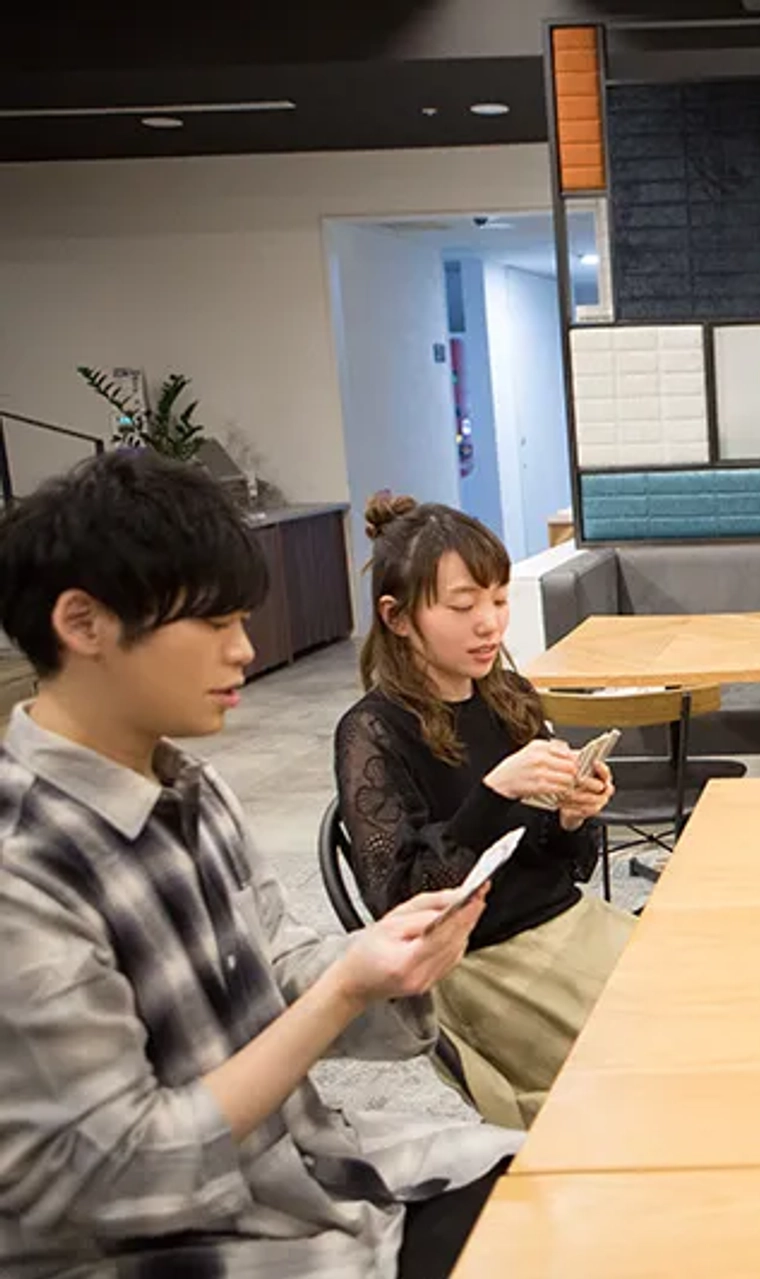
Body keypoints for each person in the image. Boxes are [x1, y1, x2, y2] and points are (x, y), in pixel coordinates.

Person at [0, 452, 518, 1279]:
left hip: (306, 1177)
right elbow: (118, 1176)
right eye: (213, 624)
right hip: (176, 1247)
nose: (243, 650)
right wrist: (347, 987)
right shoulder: (23, 868)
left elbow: (271, 962)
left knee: (565, 1191)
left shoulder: (190, 788)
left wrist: (383, 963)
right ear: (83, 622)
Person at [334, 495, 632, 1130]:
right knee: (640, 1062)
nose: (490, 625)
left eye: (499, 601)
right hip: (483, 963)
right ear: (398, 617)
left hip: (567, 924)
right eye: (464, 606)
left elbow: (565, 869)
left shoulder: (509, 699)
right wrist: (494, 794)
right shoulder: (373, 732)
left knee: (711, 1003)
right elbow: (403, 901)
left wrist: (572, 816)